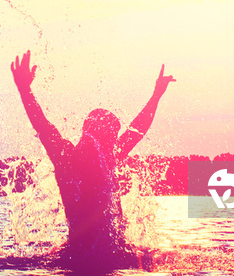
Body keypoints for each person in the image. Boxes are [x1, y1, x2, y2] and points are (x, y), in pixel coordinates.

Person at [10, 50, 175, 271]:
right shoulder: (67, 158)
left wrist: (156, 96)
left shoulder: (106, 159)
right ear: (92, 133)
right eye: (110, 136)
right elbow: (42, 125)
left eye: (113, 138)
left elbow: (136, 131)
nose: (112, 142)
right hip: (86, 256)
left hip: (98, 255)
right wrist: (24, 90)